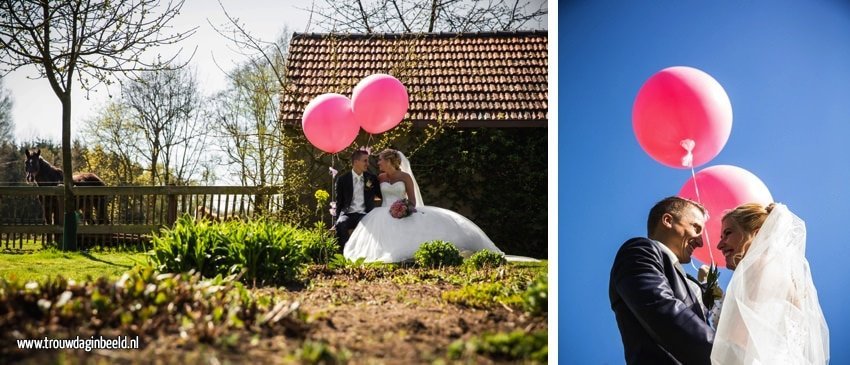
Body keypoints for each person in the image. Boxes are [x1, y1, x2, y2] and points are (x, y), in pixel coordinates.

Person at [712, 203, 829, 365]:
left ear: (757, 233)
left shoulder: (760, 266)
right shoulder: (784, 273)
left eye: (728, 234)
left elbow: (735, 339)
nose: (719, 245)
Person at [343, 149, 503, 262]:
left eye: (380, 160)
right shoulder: (380, 178)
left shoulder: (405, 177)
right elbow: (373, 194)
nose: (377, 162)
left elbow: (412, 200)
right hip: (383, 213)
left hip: (401, 211)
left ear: (389, 161)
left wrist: (403, 208)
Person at [609, 196, 714, 365]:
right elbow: (662, 309)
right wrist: (723, 354)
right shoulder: (640, 250)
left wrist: (704, 287)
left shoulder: (686, 279)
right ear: (667, 220)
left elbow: (696, 318)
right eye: (696, 228)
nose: (701, 242)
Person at [333, 149, 382, 249]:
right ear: (356, 162)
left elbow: (381, 195)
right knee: (340, 224)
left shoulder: (371, 178)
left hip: (365, 214)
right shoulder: (342, 179)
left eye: (367, 161)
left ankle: (364, 255)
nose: (368, 164)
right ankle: (345, 254)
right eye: (365, 161)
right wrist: (337, 219)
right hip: (348, 214)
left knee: (366, 224)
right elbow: (339, 202)